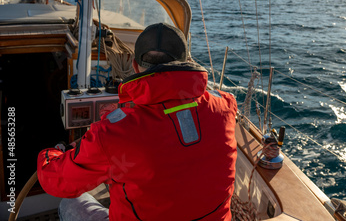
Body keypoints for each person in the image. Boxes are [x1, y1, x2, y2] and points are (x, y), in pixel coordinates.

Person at [37, 23, 238, 220]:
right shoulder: (226, 106)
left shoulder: (113, 134)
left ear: (134, 65)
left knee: (69, 203)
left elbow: (55, 180)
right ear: (186, 61)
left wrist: (54, 151)